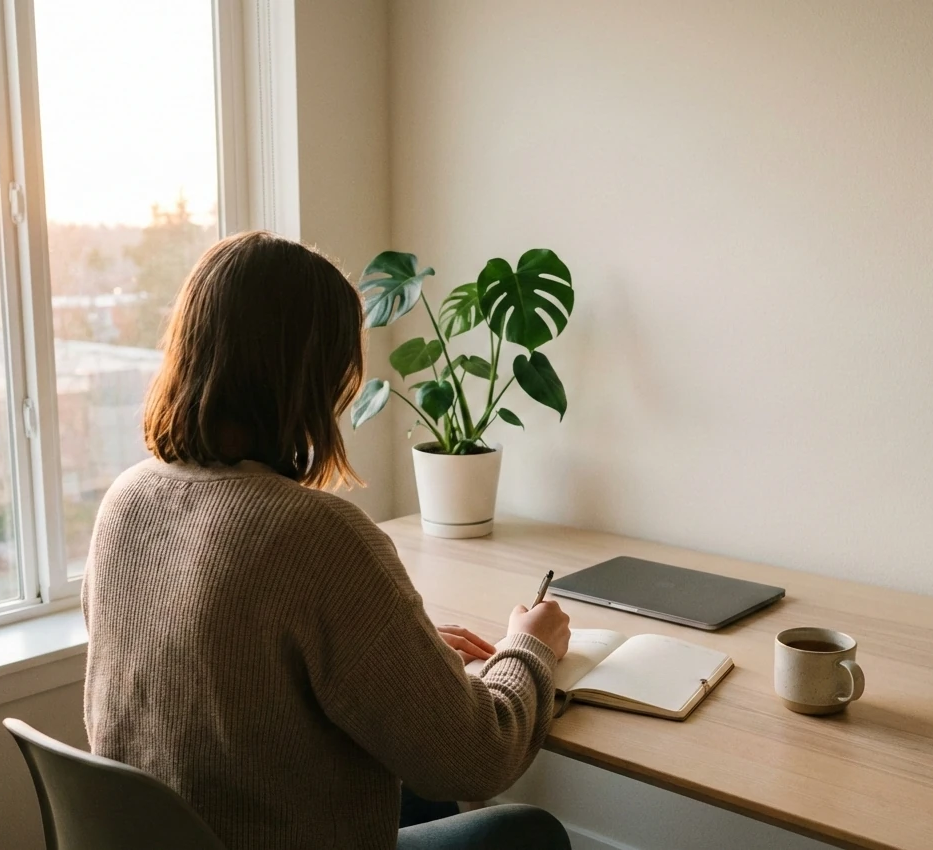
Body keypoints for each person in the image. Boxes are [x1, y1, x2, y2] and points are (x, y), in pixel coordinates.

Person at [81, 231, 573, 849]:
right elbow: (479, 755)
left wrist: (400, 660)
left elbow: (225, 674)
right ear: (315, 376)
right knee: (528, 832)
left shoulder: (127, 501)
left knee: (420, 789)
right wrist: (529, 649)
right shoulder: (318, 536)